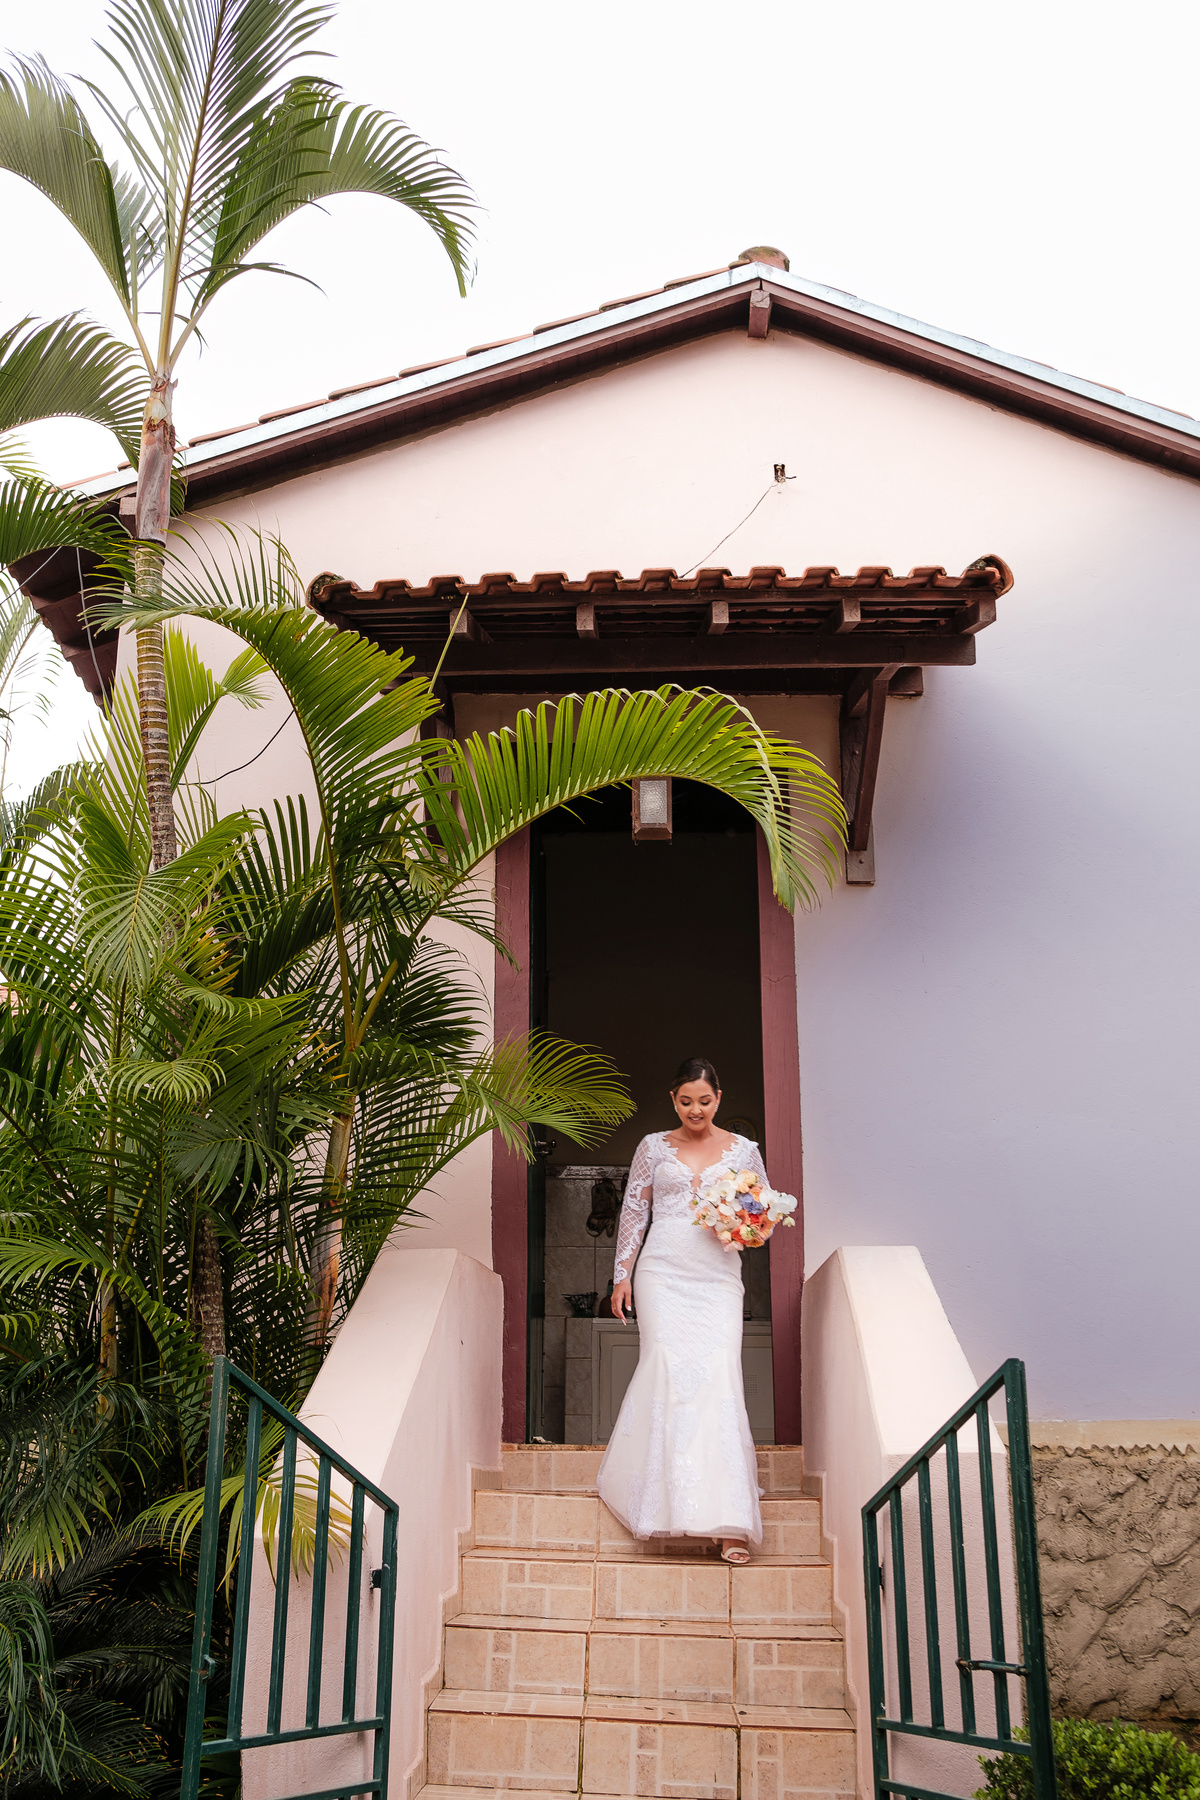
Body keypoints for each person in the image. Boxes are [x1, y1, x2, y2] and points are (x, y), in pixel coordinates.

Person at [596, 1057, 765, 1563]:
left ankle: (731, 1521)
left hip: (716, 1274)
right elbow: (634, 1210)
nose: (696, 1109)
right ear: (673, 1099)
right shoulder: (652, 1147)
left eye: (705, 1101)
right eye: (686, 1101)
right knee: (668, 1369)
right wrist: (622, 1274)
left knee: (718, 1375)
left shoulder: (745, 1151)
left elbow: (758, 1214)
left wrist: (748, 1228)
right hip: (662, 1271)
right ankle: (665, 1503)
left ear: (720, 1099)